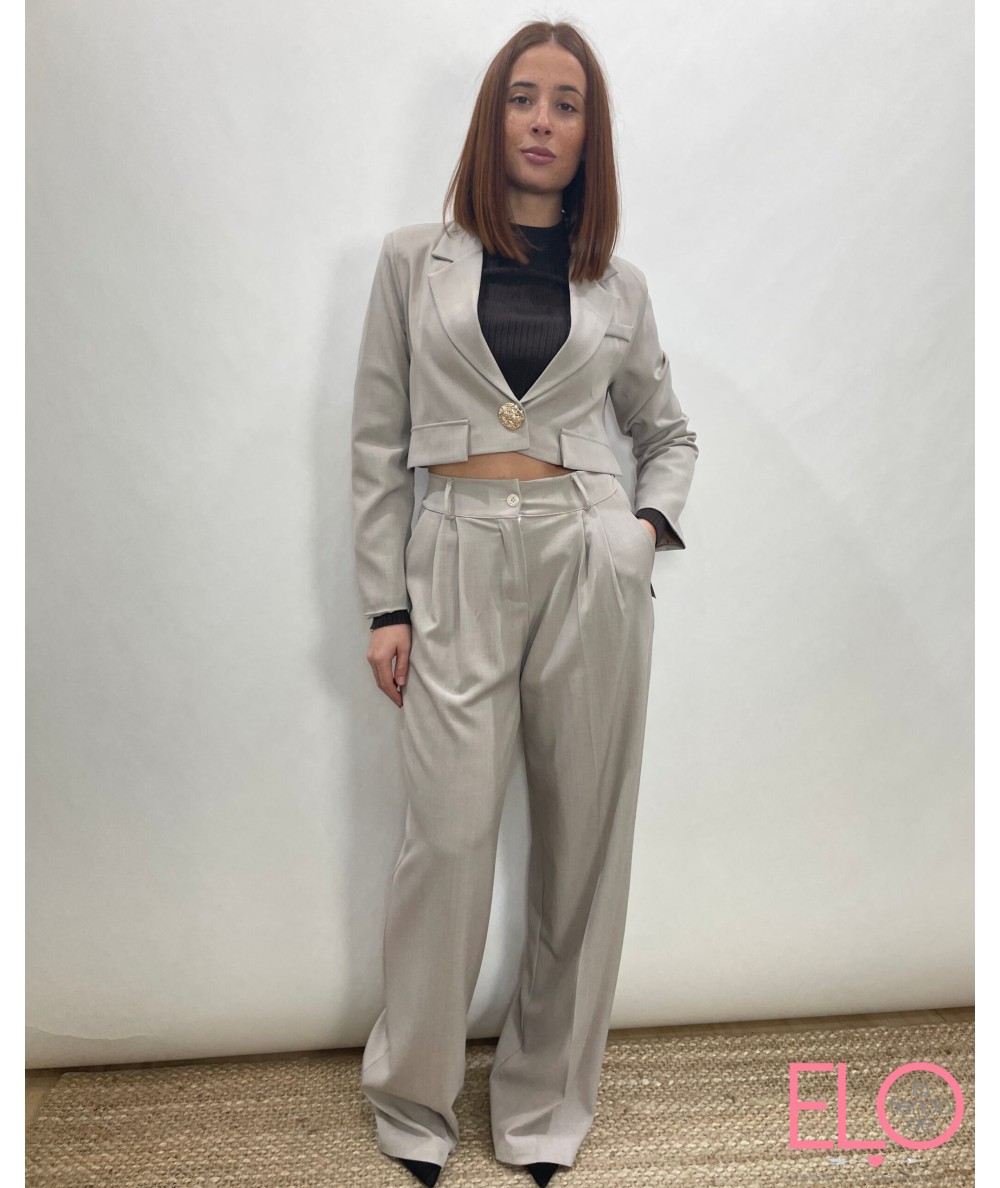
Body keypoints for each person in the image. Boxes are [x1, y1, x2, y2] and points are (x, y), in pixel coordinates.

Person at [350, 20, 698, 1187]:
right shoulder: (414, 261)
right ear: (491, 116)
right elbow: (375, 444)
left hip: (586, 559)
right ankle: (413, 1102)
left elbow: (667, 434)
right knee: (445, 839)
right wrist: (383, 605)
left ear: (590, 133)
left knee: (581, 843)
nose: (542, 121)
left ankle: (544, 1110)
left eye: (566, 103)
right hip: (452, 552)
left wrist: (639, 533)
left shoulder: (617, 285)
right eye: (523, 97)